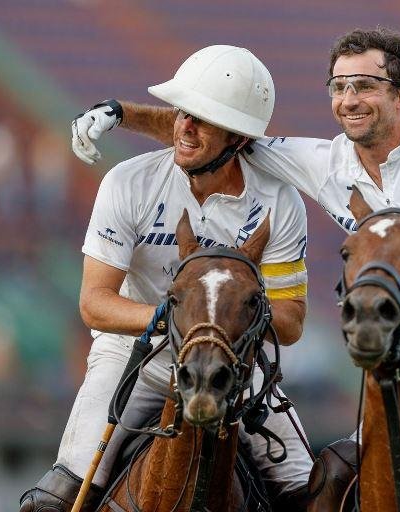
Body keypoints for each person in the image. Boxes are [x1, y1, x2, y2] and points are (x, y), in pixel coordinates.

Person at [71, 28, 400, 510]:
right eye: (339, 86)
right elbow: (211, 129)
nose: (349, 99)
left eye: (366, 86)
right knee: (330, 485)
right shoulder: (322, 163)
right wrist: (122, 113)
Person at [22, 45, 313, 512]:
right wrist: (173, 318)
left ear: (239, 139)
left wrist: (222, 323)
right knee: (55, 499)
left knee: (310, 490)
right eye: (182, 114)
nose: (184, 128)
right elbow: (95, 303)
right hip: (134, 360)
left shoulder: (279, 202)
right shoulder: (127, 183)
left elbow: (292, 323)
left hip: (233, 365)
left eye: (203, 120)